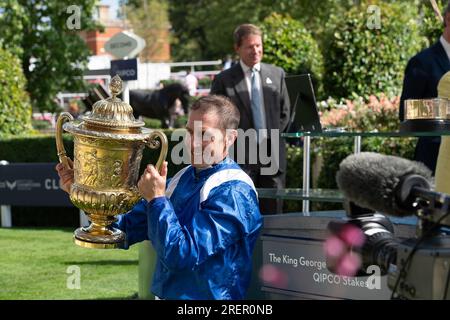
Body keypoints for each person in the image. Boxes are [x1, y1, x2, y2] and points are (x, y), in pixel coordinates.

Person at [55, 95, 263, 300]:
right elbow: (121, 228)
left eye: (204, 134)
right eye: (190, 132)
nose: (192, 143)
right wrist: (85, 191)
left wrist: (157, 200)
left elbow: (182, 255)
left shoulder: (235, 192)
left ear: (230, 138)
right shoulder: (180, 179)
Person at [210, 24, 291, 214]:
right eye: (249, 46)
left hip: (272, 158)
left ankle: (273, 246)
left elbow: (285, 112)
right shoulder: (223, 80)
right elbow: (216, 119)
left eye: (258, 45)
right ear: (237, 48)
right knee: (240, 213)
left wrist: (270, 139)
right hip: (240, 159)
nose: (256, 50)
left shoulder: (277, 74)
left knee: (274, 216)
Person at [399, 2, 450, 174]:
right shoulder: (422, 62)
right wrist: (446, 109)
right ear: (448, 19)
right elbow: (406, 111)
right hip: (433, 161)